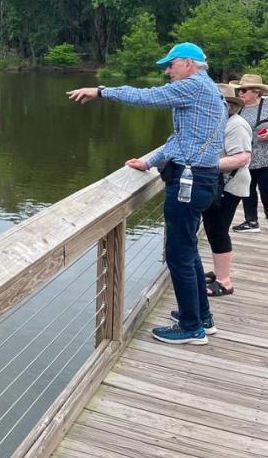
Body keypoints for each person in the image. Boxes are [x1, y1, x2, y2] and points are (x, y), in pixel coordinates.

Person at [67, 42, 226, 345]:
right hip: (202, 179)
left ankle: (192, 328)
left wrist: (101, 91)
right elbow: (182, 139)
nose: (167, 72)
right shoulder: (208, 88)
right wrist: (149, 161)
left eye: (170, 65)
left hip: (189, 183)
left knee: (178, 255)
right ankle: (201, 317)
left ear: (188, 63)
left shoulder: (191, 85)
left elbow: (146, 97)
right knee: (188, 249)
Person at [202, 83, 252, 297]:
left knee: (218, 230)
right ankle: (219, 271)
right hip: (219, 184)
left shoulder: (236, 125)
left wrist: (206, 164)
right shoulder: (221, 122)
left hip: (229, 186)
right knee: (213, 229)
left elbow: (242, 157)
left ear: (229, 105)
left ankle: (224, 281)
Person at [230, 74, 268, 234]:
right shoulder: (236, 107)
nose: (240, 93)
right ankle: (251, 221)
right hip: (245, 156)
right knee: (247, 188)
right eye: (239, 90)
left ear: (256, 92)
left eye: (244, 90)